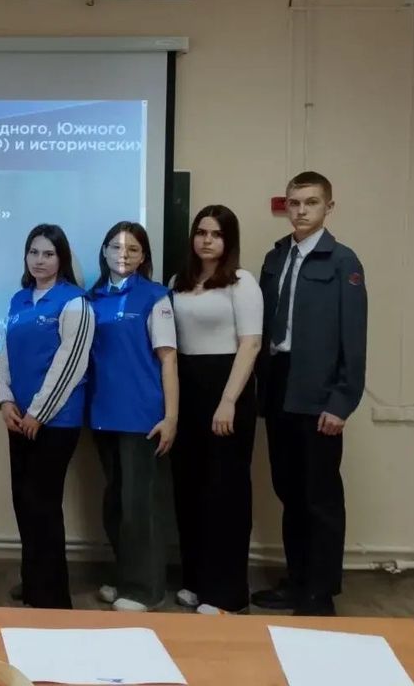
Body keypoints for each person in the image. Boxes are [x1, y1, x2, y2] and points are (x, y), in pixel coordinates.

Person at [252, 171, 366, 617]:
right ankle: (297, 581)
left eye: (311, 202)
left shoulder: (343, 261)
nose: (301, 211)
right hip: (280, 384)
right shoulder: (276, 256)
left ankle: (320, 593)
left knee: (320, 497)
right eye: (294, 203)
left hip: (319, 393)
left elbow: (354, 339)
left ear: (328, 208)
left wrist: (341, 402)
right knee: (289, 490)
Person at [169, 205, 263, 615]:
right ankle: (196, 580)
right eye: (201, 232)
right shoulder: (179, 282)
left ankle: (226, 594)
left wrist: (228, 401)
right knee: (189, 489)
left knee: (224, 493)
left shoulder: (242, 282)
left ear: (229, 240)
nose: (207, 240)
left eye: (217, 234)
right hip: (187, 388)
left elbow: (251, 344)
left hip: (227, 390)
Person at [0, 224, 93, 609]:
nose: (40, 260)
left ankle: (52, 597)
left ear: (61, 259)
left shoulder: (75, 303)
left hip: (55, 422)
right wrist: (5, 400)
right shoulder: (19, 299)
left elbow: (70, 365)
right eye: (33, 252)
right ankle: (33, 579)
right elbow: (6, 353)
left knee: (44, 504)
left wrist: (38, 413)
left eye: (48, 254)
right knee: (23, 501)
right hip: (18, 418)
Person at [87, 221, 178, 612]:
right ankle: (126, 577)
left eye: (133, 249)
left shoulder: (155, 297)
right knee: (116, 505)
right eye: (116, 247)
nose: (123, 254)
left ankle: (146, 590)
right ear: (104, 251)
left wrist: (171, 417)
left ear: (144, 257)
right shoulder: (91, 298)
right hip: (102, 414)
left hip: (143, 417)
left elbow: (168, 359)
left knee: (141, 507)